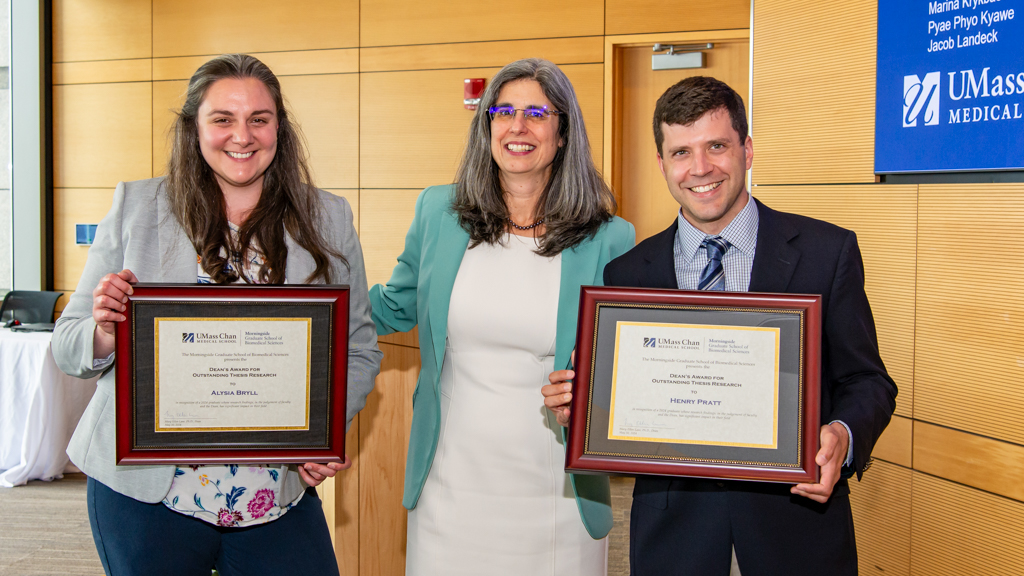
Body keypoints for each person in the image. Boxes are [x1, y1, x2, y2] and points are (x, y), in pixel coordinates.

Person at [544, 76, 897, 575]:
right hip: (674, 542)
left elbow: (868, 381)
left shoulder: (826, 252)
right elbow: (621, 408)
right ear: (663, 164)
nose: (701, 168)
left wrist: (842, 433)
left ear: (747, 150)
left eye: (716, 146)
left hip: (797, 535)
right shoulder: (629, 274)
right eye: (682, 152)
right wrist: (582, 407)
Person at [51, 54, 382, 575]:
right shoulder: (139, 206)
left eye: (259, 119)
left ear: (279, 128)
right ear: (194, 128)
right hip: (146, 494)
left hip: (274, 493)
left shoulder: (329, 217)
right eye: (222, 119)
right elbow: (68, 346)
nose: (241, 136)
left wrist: (325, 431)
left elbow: (359, 349)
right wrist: (104, 330)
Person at [369, 58, 635, 575]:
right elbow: (395, 306)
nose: (518, 126)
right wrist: (308, 301)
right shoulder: (438, 213)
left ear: (562, 133)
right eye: (504, 111)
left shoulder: (609, 237)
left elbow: (623, 366)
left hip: (556, 489)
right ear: (485, 126)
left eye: (537, 112)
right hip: (450, 484)